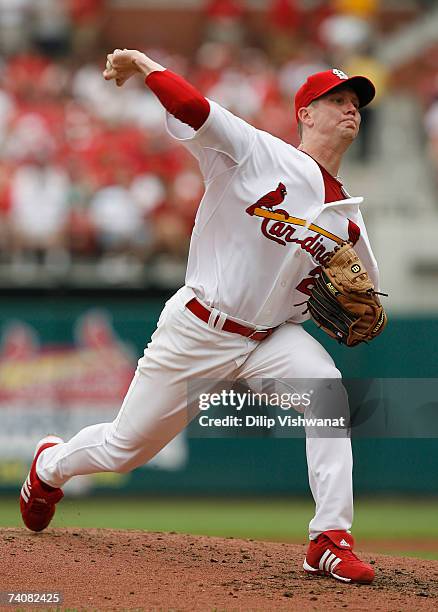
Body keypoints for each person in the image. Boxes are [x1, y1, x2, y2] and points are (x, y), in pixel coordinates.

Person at [20, 50, 379, 585]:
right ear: (305, 113)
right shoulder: (258, 153)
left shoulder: (348, 220)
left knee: (327, 392)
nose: (351, 109)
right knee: (124, 448)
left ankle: (328, 538)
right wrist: (145, 66)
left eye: (356, 103)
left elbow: (364, 300)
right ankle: (50, 466)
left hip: (270, 340)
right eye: (338, 100)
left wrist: (363, 305)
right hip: (199, 328)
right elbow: (192, 108)